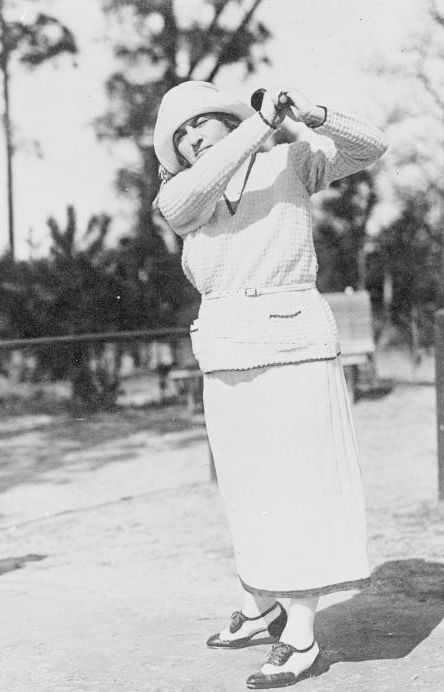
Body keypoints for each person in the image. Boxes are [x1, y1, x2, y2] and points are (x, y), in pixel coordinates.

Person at [152, 82, 387, 688]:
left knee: (297, 489)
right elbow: (186, 205)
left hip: (294, 346)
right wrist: (258, 124)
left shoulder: (288, 161)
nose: (193, 136)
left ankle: (302, 637)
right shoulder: (183, 191)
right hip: (227, 353)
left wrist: (309, 114)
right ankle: (265, 604)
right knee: (247, 490)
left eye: (203, 121)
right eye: (180, 132)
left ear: (225, 120)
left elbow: (372, 146)